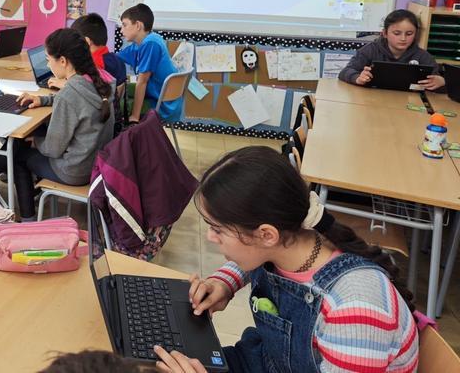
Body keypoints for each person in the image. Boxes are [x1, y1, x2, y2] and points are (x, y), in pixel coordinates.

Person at [156, 146, 418, 372]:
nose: (210, 237)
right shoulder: (295, 238)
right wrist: (224, 283)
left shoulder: (355, 311)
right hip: (265, 362)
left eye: (218, 229)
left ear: (266, 234)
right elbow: (251, 258)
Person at [0, 28, 114, 221]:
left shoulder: (69, 95)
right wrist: (44, 100)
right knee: (27, 139)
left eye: (48, 59)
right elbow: (78, 105)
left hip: (74, 171)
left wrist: (35, 141)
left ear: (63, 61)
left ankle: (28, 219)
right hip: (96, 164)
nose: (47, 64)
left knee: (17, 153)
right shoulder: (100, 81)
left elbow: (54, 149)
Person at [339, 9, 444, 90]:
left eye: (409, 34)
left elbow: (439, 84)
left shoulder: (423, 56)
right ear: (384, 33)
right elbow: (345, 72)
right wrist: (357, 78)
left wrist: (442, 81)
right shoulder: (370, 50)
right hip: (372, 101)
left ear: (415, 34)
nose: (403, 38)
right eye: (397, 33)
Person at [116, 4, 181, 125]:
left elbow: (142, 82)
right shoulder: (145, 41)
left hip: (162, 104)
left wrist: (135, 116)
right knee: (121, 91)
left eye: (124, 25)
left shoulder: (151, 44)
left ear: (138, 25)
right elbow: (116, 57)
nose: (121, 30)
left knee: (119, 105)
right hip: (158, 94)